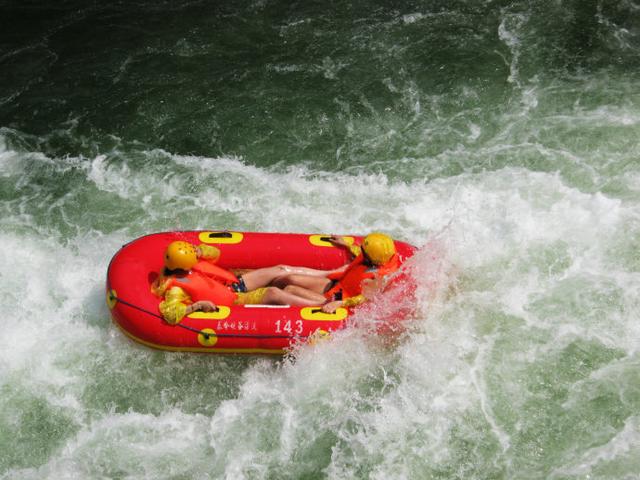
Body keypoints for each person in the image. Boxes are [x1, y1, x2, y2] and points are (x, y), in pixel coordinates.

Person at [151, 240, 332, 325]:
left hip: (233, 284)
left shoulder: (188, 263)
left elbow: (215, 254)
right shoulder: (175, 288)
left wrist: (201, 250)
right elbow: (170, 314)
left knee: (280, 269)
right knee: (273, 293)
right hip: (235, 300)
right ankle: (323, 304)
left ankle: (329, 275)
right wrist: (196, 307)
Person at [274, 232, 400, 313]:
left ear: (371, 257)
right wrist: (346, 245)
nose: (361, 251)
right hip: (336, 285)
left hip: (337, 298)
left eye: (364, 251)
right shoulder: (378, 258)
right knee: (291, 279)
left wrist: (342, 303)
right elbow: (359, 254)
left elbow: (365, 298)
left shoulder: (379, 278)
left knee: (290, 290)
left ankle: (263, 304)